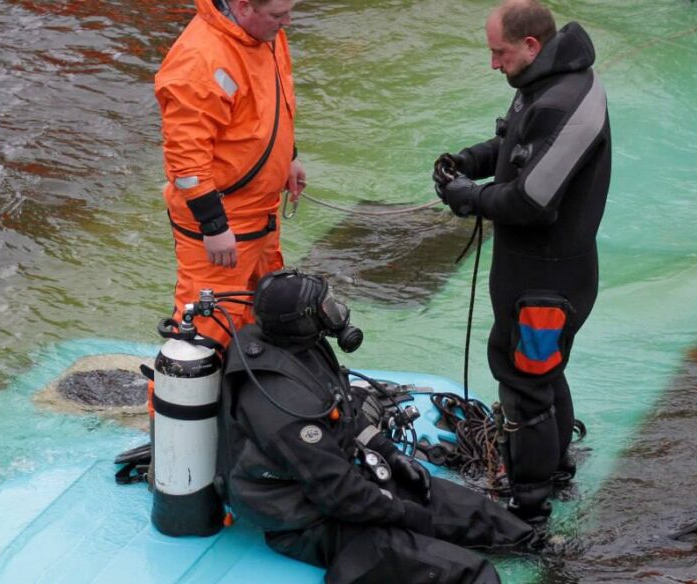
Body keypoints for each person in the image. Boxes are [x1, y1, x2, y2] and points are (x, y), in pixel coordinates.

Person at [216, 268, 537, 584]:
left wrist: (392, 457)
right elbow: (338, 495)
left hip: (345, 475)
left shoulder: (303, 345)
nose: (336, 312)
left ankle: (546, 553)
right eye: (326, 307)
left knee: (492, 521)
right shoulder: (285, 409)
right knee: (472, 573)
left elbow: (344, 408)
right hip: (307, 518)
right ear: (302, 320)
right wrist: (404, 513)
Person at [432, 0, 611, 525]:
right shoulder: (548, 82)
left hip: (545, 285)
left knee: (526, 389)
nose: (493, 64)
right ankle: (556, 473)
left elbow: (533, 200)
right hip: (543, 275)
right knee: (544, 376)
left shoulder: (562, 102)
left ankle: (529, 508)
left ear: (531, 45)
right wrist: (473, 160)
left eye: (499, 53)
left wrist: (470, 197)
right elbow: (520, 145)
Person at [155, 0, 305, 349]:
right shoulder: (199, 61)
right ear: (243, 7)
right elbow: (186, 160)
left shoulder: (265, 33)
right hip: (224, 220)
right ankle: (169, 405)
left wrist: (289, 158)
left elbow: (274, 100)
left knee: (264, 316)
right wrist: (214, 225)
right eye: (279, 15)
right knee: (205, 332)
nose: (288, 22)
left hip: (260, 213)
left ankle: (242, 398)